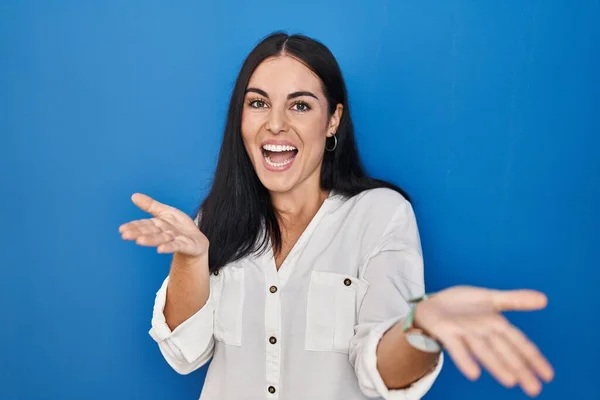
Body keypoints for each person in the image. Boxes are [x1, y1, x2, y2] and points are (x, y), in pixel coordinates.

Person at [119, 32, 554, 399]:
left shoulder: (379, 215)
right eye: (258, 103)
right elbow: (185, 352)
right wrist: (190, 259)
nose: (275, 124)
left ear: (333, 120)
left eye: (300, 105)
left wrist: (420, 326)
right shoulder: (217, 216)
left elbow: (383, 373)